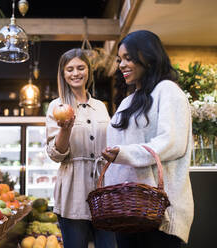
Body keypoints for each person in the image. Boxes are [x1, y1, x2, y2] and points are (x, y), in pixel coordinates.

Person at [101, 30, 194, 247]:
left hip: (160, 212)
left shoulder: (168, 91)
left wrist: (124, 154)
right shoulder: (127, 102)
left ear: (148, 57)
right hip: (127, 208)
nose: (121, 65)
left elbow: (172, 143)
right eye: (119, 60)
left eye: (128, 58)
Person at [46, 48, 115, 248]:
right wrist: (65, 130)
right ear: (63, 74)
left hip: (103, 190)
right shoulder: (56, 107)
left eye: (80, 68)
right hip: (73, 190)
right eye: (69, 69)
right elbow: (55, 155)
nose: (75, 73)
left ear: (88, 71)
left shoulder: (100, 106)